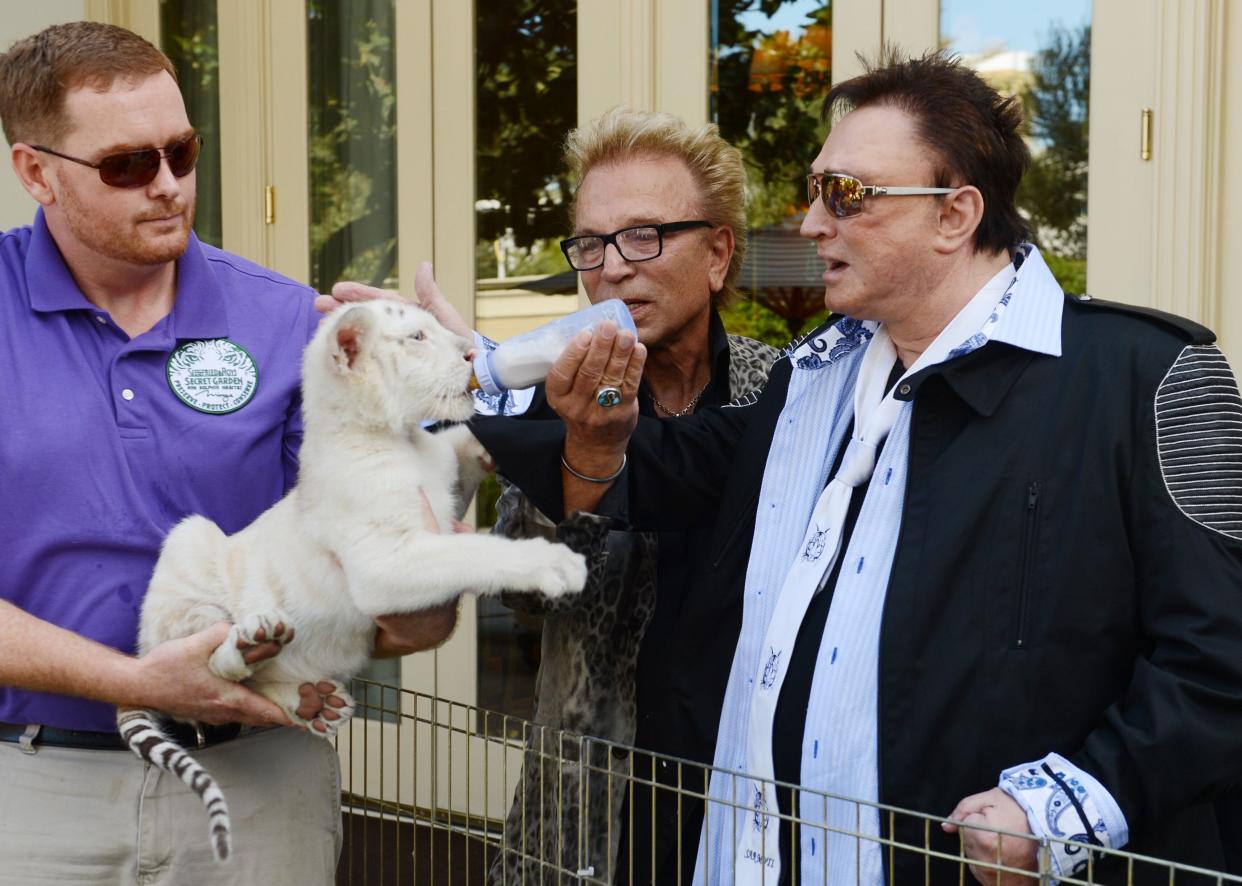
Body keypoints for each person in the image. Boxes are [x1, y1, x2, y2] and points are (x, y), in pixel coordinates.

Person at [485, 50, 1242, 884]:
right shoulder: (812, 378)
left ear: (955, 214)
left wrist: (1061, 809)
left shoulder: (1147, 377)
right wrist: (458, 370)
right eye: (815, 192)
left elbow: (1216, 658)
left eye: (845, 195)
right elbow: (663, 461)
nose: (811, 224)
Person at [0, 22, 455, 885]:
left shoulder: (286, 323)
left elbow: (394, 609)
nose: (169, 185)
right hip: (29, 790)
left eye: (183, 150)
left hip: (258, 785)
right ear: (36, 173)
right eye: (129, 164)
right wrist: (136, 679)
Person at [329, 107, 781, 885]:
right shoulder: (540, 387)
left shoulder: (779, 391)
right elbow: (525, 597)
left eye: (645, 236)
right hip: (584, 802)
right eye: (592, 243)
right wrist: (515, 408)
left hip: (743, 798)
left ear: (717, 253)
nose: (611, 268)